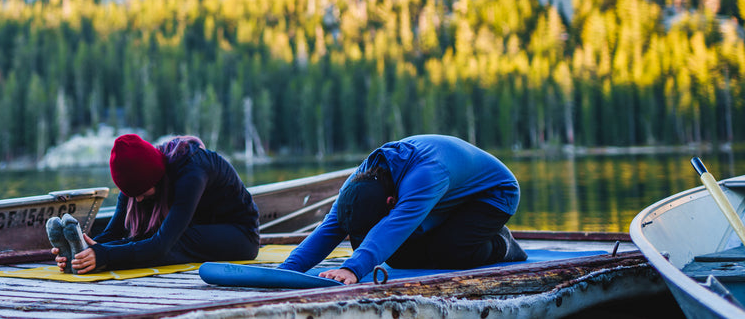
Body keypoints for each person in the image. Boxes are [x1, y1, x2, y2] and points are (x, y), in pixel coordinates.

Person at [280, 134, 525, 285]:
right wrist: (285, 272)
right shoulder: (359, 181)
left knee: (449, 251)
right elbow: (330, 227)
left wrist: (351, 268)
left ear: (390, 203)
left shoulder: (425, 176)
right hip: (446, 196)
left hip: (493, 195)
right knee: (399, 257)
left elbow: (392, 228)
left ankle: (502, 244)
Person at [53, 133, 260, 273]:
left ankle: (101, 262)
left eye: (142, 193)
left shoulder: (192, 173)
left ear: (156, 178)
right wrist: (84, 251)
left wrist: (105, 256)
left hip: (241, 236)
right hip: (199, 230)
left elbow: (161, 245)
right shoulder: (136, 181)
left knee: (174, 241)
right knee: (144, 238)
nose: (139, 199)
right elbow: (113, 232)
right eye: (132, 195)